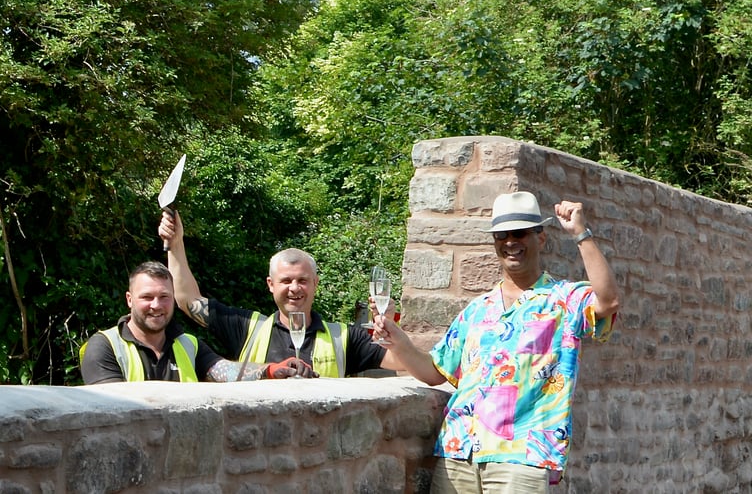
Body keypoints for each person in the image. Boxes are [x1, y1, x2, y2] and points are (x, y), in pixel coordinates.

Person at [372, 191, 620, 493]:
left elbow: (608, 301)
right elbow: (434, 372)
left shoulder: (564, 300)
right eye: (502, 235)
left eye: (520, 233)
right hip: (459, 450)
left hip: (523, 456)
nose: (510, 242)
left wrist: (581, 234)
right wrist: (398, 341)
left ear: (540, 239)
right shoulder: (478, 309)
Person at [158, 210, 404, 378]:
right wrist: (176, 243)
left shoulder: (344, 337)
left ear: (315, 284)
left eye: (303, 281)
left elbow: (401, 362)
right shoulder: (246, 327)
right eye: (286, 281)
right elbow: (187, 300)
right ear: (270, 284)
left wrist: (389, 327)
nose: (294, 288)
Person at [80, 261, 316, 384]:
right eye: (147, 297)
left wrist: (271, 370)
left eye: (164, 297)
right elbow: (112, 412)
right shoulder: (104, 346)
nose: (156, 305)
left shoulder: (188, 345)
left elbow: (225, 371)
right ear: (129, 300)